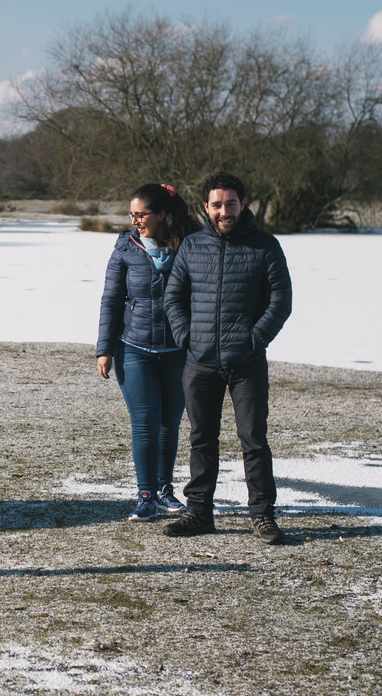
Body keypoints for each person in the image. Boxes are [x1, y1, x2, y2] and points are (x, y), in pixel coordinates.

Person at [161, 171, 292, 544]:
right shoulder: (191, 246)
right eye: (216, 205)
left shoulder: (266, 246)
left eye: (230, 204)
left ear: (242, 204)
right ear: (206, 207)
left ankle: (263, 516)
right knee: (201, 439)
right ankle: (199, 513)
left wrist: (254, 340)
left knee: (253, 439)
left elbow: (280, 301)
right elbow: (174, 298)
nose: (224, 211)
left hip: (246, 362)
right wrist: (188, 336)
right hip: (199, 362)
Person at [96, 183, 201, 521]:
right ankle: (145, 496)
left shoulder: (192, 245)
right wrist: (104, 349)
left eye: (141, 215)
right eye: (132, 215)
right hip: (133, 348)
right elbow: (111, 300)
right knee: (145, 423)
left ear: (163, 215)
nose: (135, 221)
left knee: (169, 423)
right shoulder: (126, 247)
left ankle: (165, 491)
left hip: (178, 350)